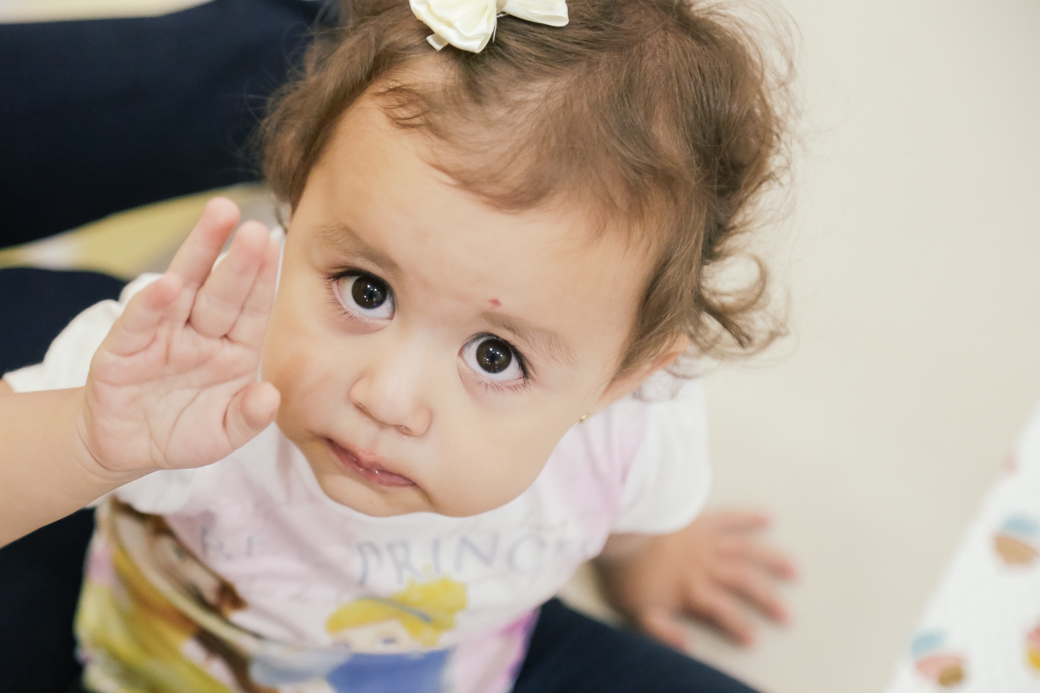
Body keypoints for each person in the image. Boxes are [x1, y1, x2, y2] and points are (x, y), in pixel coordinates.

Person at [0, 0, 796, 689]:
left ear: (621, 378)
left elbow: (627, 503)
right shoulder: (193, 363)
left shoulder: (635, 429)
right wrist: (86, 437)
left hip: (469, 665)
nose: (386, 397)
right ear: (293, 199)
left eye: (495, 355)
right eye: (365, 289)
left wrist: (645, 560)